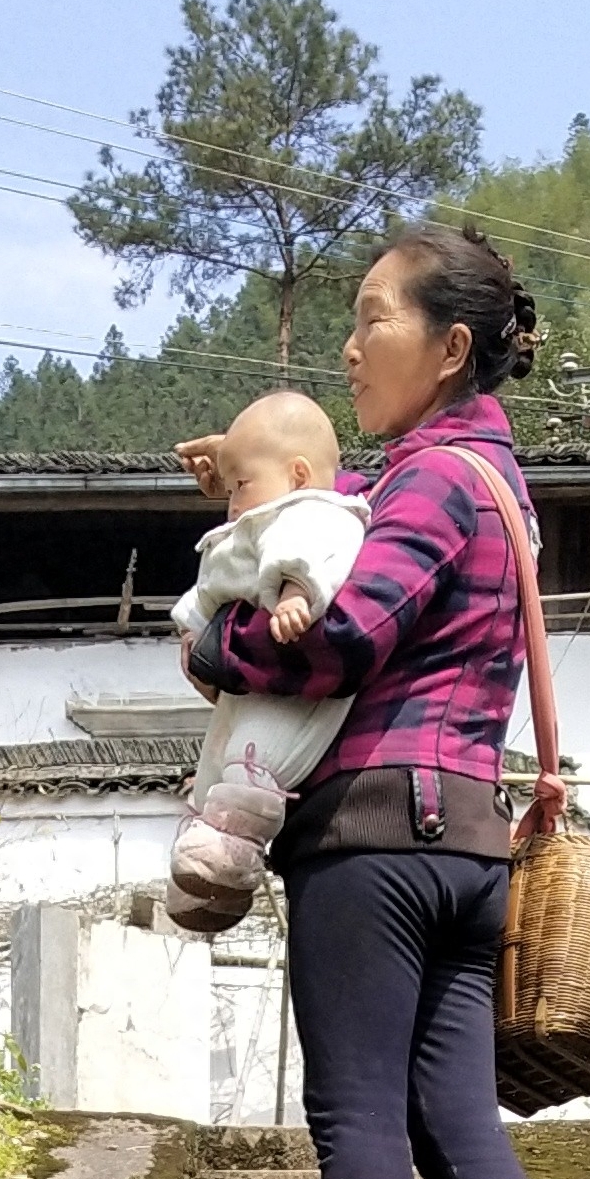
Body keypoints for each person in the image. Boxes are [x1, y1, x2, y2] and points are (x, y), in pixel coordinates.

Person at [177, 222, 559, 1179]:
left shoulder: (432, 482)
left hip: (371, 843)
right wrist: (251, 488)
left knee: (356, 1115)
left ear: (449, 349)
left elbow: (338, 641)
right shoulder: (487, 480)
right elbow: (341, 533)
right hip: (466, 842)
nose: (350, 348)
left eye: (372, 320)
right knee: (458, 1117)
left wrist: (203, 651)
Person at [164, 390, 371, 934]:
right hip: (241, 681)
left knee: (258, 760)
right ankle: (200, 879)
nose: (232, 501)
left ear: (298, 474)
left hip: (284, 693)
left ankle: (230, 855)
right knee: (217, 763)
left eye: (241, 486)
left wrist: (297, 594)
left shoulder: (314, 514)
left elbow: (309, 553)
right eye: (231, 489)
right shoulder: (266, 515)